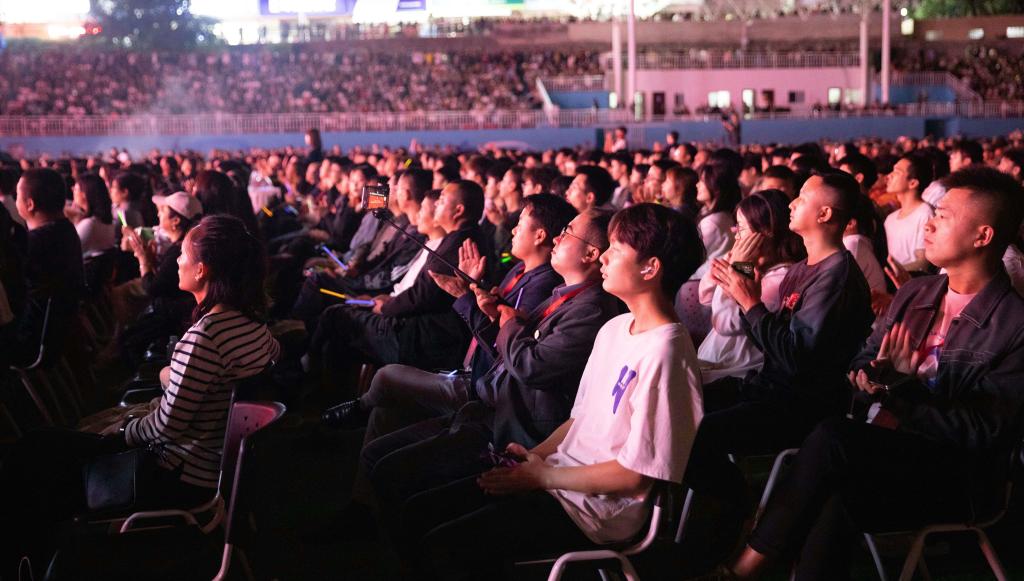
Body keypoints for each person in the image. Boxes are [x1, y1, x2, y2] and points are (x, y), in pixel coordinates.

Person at [724, 166, 1024, 581]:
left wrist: (902, 389)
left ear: (983, 236)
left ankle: (744, 569)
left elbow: (985, 431)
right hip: (880, 447)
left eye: (944, 216)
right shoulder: (917, 293)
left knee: (833, 440)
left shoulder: (1013, 324)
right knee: (837, 489)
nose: (930, 224)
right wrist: (872, 375)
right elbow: (862, 358)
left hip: (954, 475)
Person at [391, 204, 704, 580]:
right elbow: (580, 418)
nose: (604, 257)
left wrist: (542, 477)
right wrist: (532, 457)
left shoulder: (666, 351)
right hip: (555, 474)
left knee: (442, 546)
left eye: (616, 250)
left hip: (593, 511)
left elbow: (634, 475)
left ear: (650, 268)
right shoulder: (617, 328)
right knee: (418, 510)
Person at [0, 214, 280, 576]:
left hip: (176, 475)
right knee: (40, 450)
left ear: (202, 271)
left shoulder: (207, 335)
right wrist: (171, 378)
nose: (176, 261)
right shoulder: (254, 326)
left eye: (182, 254)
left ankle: (29, 561)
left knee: (34, 456)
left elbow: (166, 427)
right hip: (206, 468)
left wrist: (116, 433)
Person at [682, 171, 874, 562]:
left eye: (801, 197)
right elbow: (759, 334)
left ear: (824, 214)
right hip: (765, 387)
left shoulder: (835, 276)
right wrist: (744, 282)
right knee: (676, 412)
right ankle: (732, 514)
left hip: (799, 405)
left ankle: (737, 515)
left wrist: (750, 300)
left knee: (695, 436)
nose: (792, 203)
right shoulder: (805, 267)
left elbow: (795, 356)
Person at [323, 194, 574, 434]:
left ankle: (357, 407)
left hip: (482, 386)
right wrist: (474, 285)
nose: (513, 230)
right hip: (469, 372)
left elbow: (502, 345)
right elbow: (492, 313)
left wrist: (465, 295)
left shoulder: (542, 285)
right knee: (385, 412)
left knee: (385, 377)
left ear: (539, 235)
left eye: (520, 223)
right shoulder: (520, 271)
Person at [307, 180, 490, 374]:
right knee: (341, 328)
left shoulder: (461, 243)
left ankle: (307, 371)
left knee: (335, 316)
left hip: (421, 339)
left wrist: (385, 307)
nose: (437, 203)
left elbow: (423, 296)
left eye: (442, 200)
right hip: (420, 328)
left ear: (458, 210)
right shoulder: (459, 238)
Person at [697, 190, 804, 384]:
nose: (735, 234)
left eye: (740, 227)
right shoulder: (754, 266)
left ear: (766, 233)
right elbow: (705, 296)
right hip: (722, 360)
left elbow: (725, 322)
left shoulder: (781, 277)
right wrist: (731, 267)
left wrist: (736, 268)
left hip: (740, 371)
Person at [8, 168, 85, 368]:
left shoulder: (32, 244)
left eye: (17, 196)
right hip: (58, 333)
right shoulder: (66, 230)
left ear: (30, 204)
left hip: (30, 337)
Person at [118, 191, 203, 367]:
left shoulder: (179, 250)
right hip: (176, 311)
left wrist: (143, 260)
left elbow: (153, 288)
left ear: (175, 220)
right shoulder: (182, 245)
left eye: (163, 210)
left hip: (172, 315)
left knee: (128, 340)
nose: (158, 214)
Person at [884, 153, 934, 274]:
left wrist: (889, 273)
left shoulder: (925, 214)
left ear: (913, 183)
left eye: (896, 172)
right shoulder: (890, 218)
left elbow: (924, 263)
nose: (889, 176)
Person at [692, 161, 741, 280]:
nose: (697, 185)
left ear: (716, 187)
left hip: (706, 278)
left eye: (702, 181)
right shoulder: (724, 214)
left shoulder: (712, 222)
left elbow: (693, 254)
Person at [67, 173, 117, 257]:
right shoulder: (106, 221)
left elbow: (67, 252)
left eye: (75, 189)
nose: (73, 192)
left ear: (84, 194)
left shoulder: (89, 224)